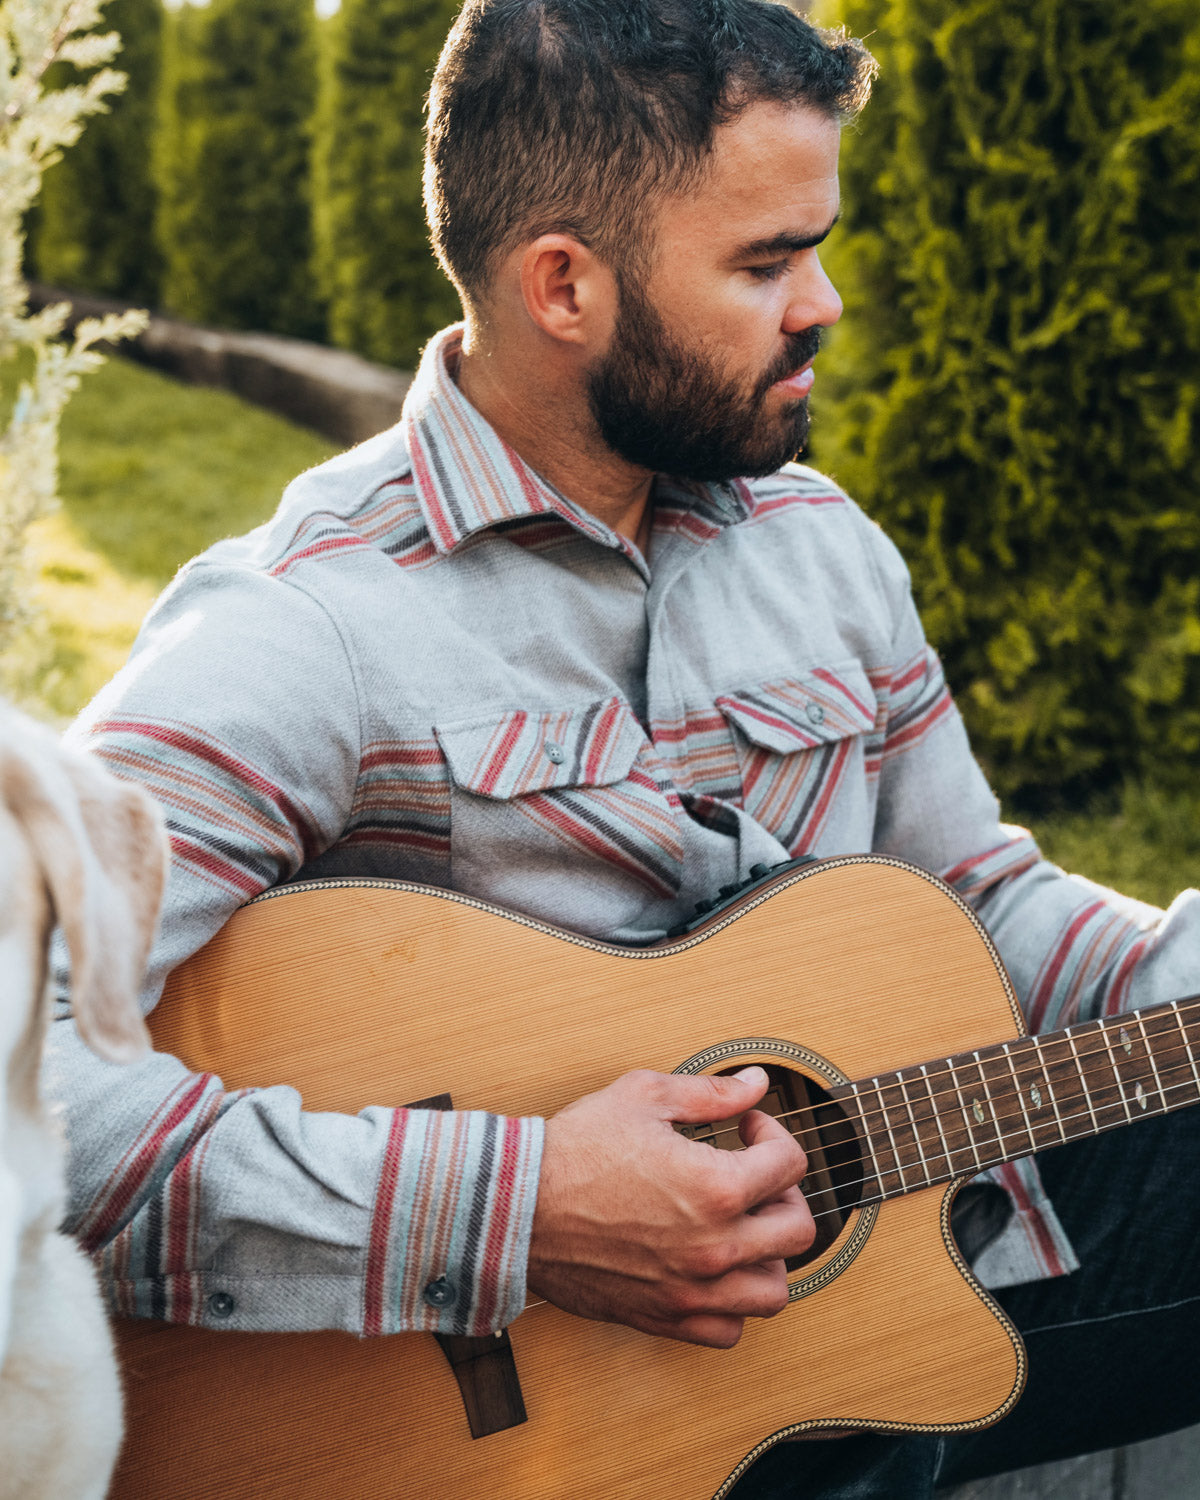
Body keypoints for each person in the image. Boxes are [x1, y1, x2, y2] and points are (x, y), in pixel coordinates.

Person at [48, 0, 1200, 1494]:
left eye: (817, 246)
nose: (827, 301)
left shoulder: (825, 547)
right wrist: (521, 1209)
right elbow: (29, 1071)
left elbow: (981, 898)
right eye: (767, 262)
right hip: (536, 1428)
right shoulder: (309, 624)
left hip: (905, 1266)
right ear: (564, 287)